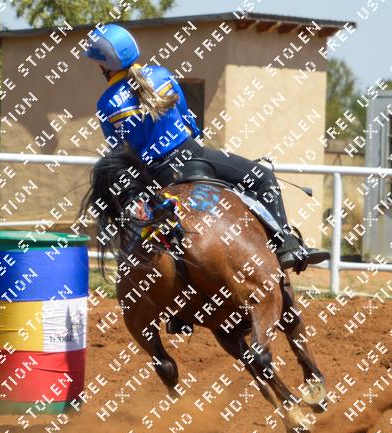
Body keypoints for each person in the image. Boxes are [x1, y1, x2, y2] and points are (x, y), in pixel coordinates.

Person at [85, 23, 329, 272]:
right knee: (263, 176)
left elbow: (121, 153)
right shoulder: (160, 74)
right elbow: (187, 119)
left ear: (103, 65)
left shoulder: (106, 104)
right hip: (193, 156)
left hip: (156, 175)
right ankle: (286, 245)